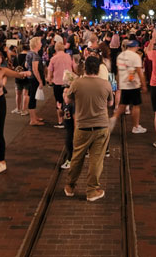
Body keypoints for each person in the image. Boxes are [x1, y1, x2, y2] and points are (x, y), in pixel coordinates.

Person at [63, 56, 112, 202]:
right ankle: (91, 191)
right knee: (96, 160)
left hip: (82, 126)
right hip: (101, 126)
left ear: (85, 68)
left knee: (77, 157)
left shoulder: (77, 83)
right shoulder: (106, 84)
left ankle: (70, 186)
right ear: (98, 69)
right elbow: (110, 103)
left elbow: (68, 100)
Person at [110, 40, 148, 133]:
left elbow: (118, 71)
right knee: (136, 105)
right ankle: (136, 126)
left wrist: (118, 82)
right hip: (133, 85)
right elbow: (139, 72)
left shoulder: (120, 56)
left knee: (122, 105)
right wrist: (144, 85)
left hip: (123, 84)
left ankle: (113, 119)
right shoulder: (135, 57)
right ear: (135, 47)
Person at [48, 42, 74, 129]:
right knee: (68, 101)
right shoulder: (69, 57)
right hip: (68, 82)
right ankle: (69, 120)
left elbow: (50, 72)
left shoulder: (53, 59)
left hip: (57, 83)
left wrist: (49, 80)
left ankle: (60, 121)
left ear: (55, 49)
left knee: (59, 102)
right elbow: (74, 68)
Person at [26, 36, 46, 126]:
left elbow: (26, 65)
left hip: (30, 78)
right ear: (36, 44)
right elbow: (35, 69)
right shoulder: (35, 55)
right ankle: (33, 120)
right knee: (33, 98)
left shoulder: (29, 53)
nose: (41, 44)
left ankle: (34, 117)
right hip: (34, 79)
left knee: (32, 97)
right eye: (40, 43)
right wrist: (40, 81)